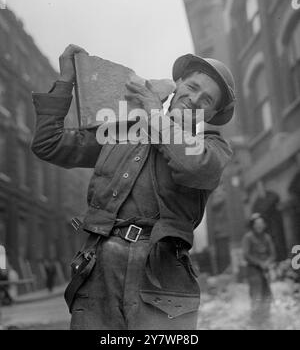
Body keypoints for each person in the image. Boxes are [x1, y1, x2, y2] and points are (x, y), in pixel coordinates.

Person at [31, 45, 235, 330]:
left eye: (207, 99)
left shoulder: (212, 148)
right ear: (177, 85)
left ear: (211, 114)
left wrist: (154, 111)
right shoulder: (123, 129)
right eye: (191, 86)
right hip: (99, 271)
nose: (194, 99)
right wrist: (66, 80)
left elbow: (192, 165)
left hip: (162, 280)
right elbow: (48, 144)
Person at [242, 213, 276, 329]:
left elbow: (272, 254)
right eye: (257, 224)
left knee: (267, 294)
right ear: (253, 226)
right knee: (256, 295)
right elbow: (246, 254)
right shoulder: (248, 237)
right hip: (253, 271)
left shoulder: (267, 237)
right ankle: (256, 323)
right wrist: (259, 263)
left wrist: (267, 262)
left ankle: (266, 319)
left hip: (265, 270)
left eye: (261, 224)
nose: (260, 226)